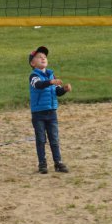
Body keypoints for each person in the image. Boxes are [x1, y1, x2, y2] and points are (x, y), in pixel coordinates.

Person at [28, 46, 72, 174]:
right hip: (38, 114)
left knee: (54, 138)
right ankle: (42, 163)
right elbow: (38, 85)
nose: (43, 58)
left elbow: (56, 92)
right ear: (32, 63)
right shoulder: (33, 76)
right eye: (39, 57)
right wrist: (51, 82)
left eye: (45, 57)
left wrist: (64, 89)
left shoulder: (51, 74)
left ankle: (58, 162)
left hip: (52, 112)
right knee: (41, 139)